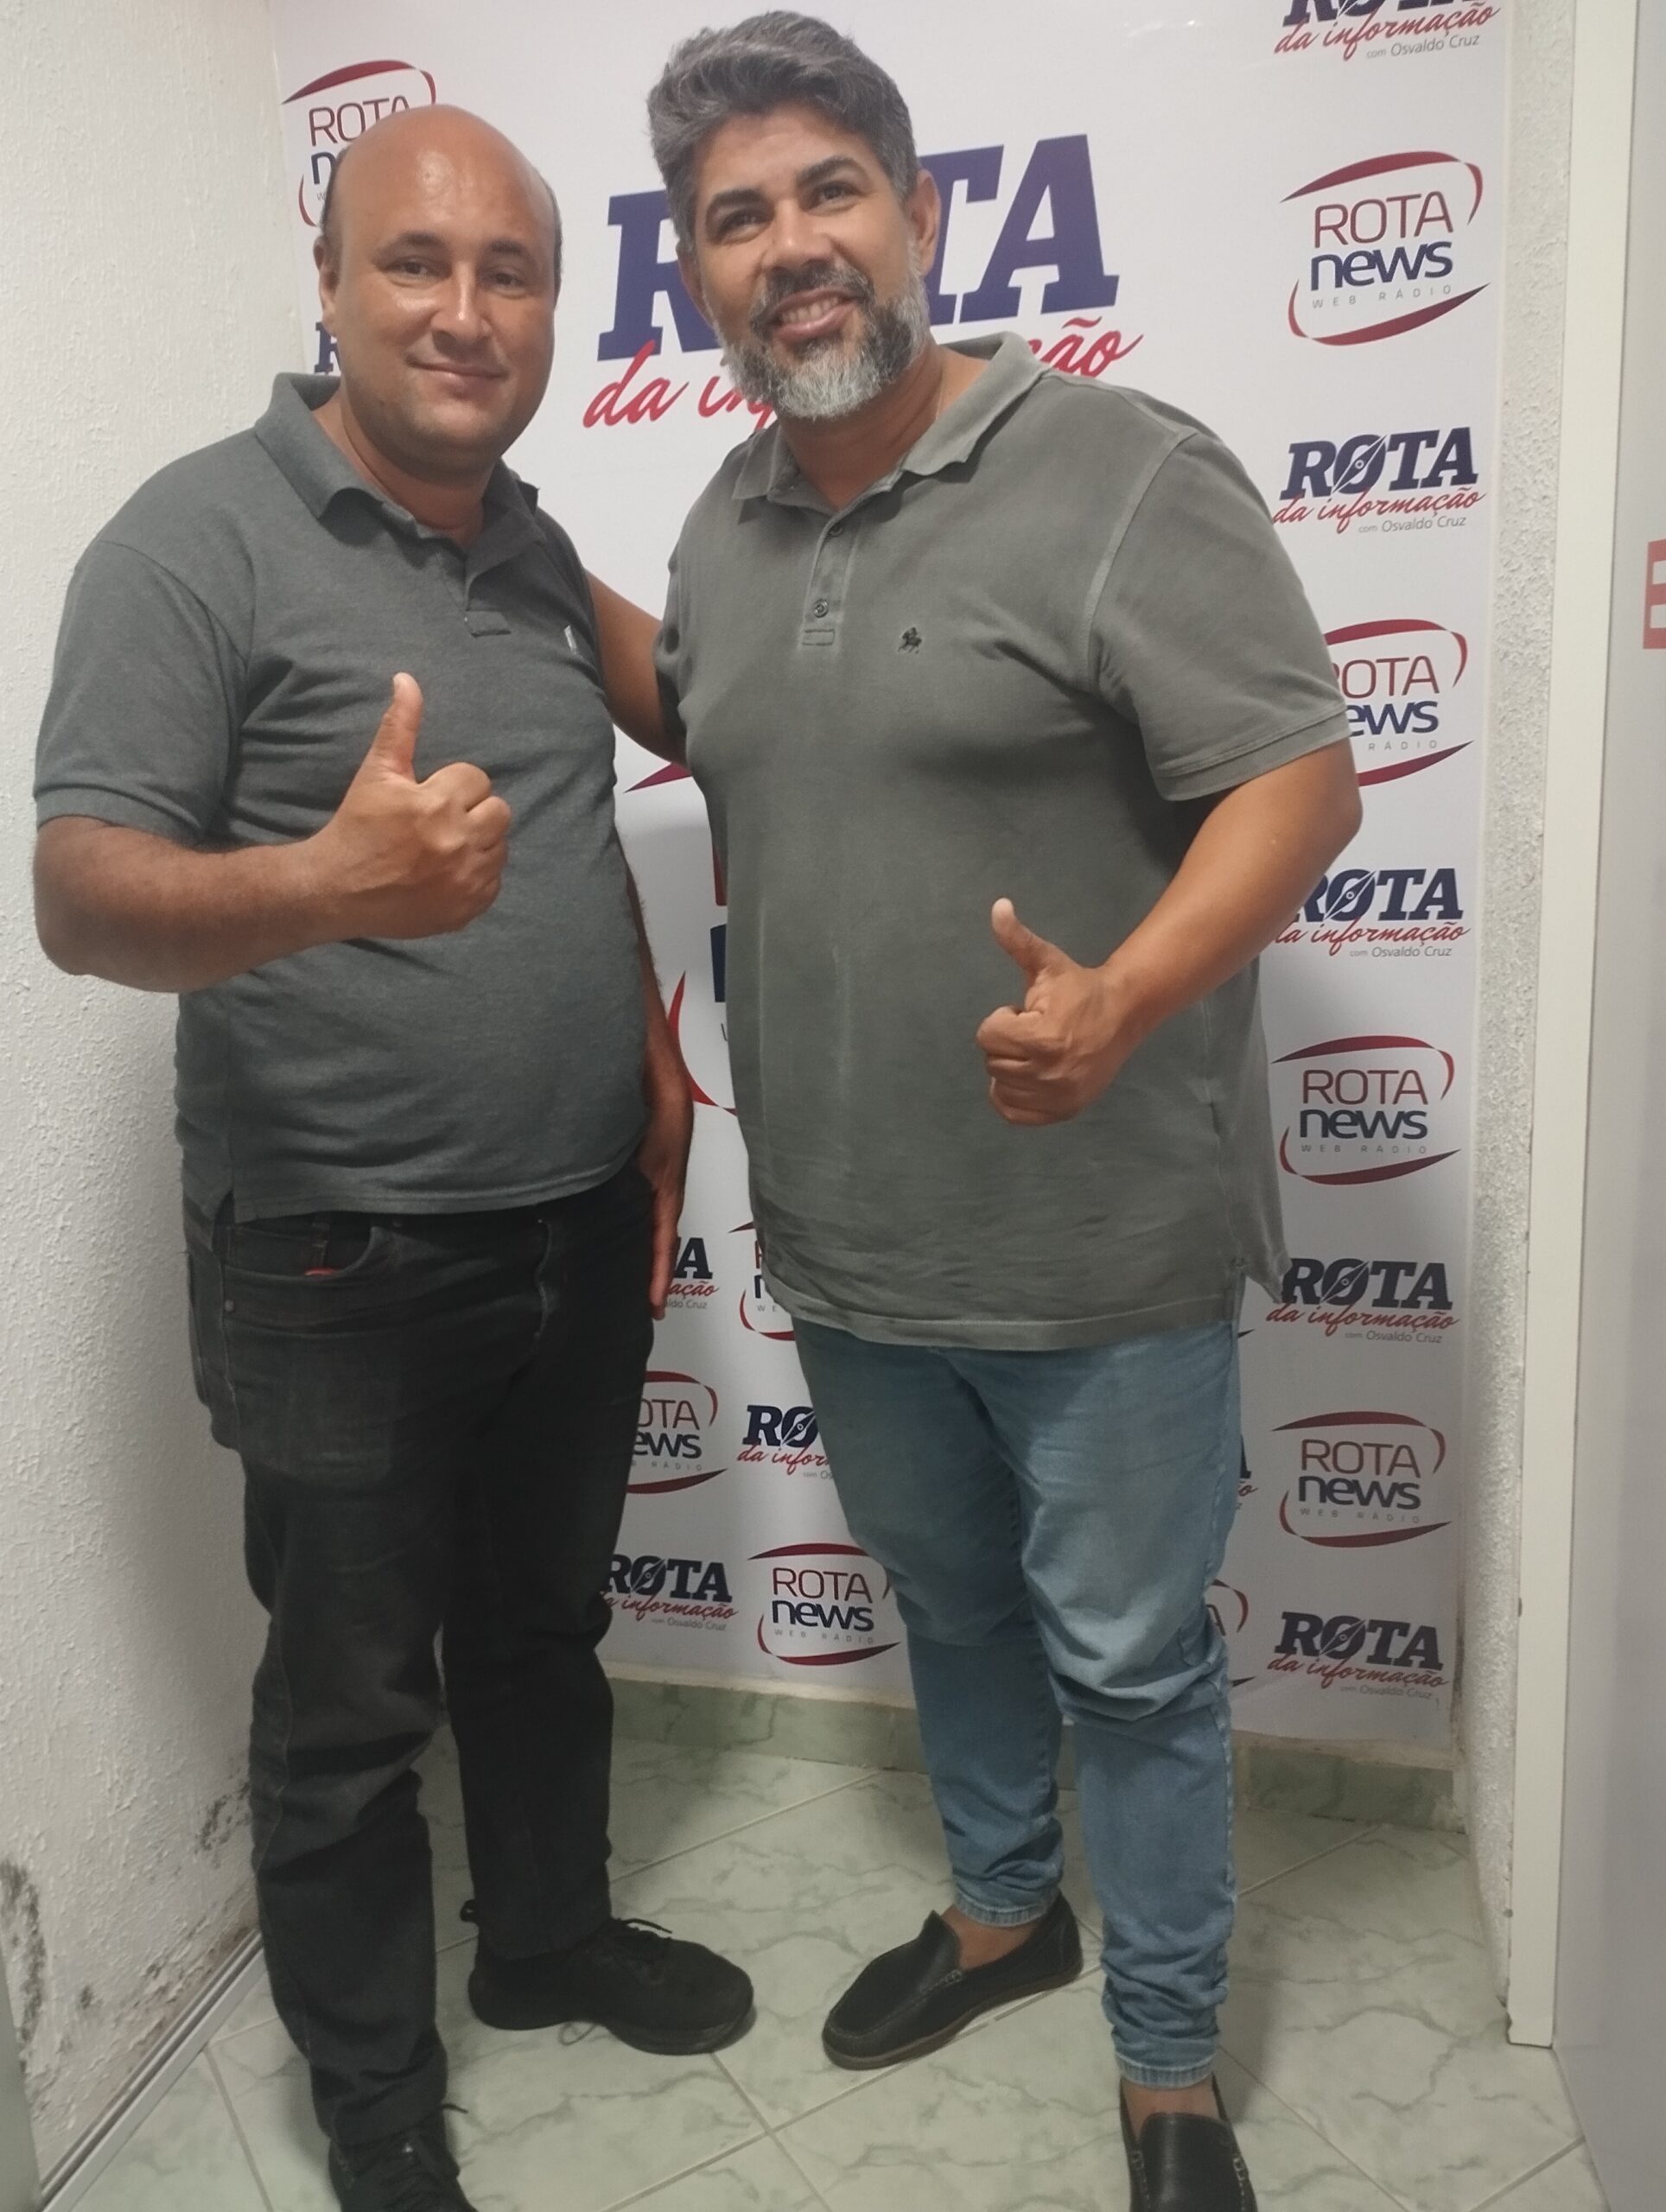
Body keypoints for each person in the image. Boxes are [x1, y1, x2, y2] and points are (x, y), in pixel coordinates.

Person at [618, 15, 1365, 2209]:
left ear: (920, 215)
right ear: (699, 273)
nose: (790, 245)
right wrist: (500, 553)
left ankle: (1168, 2065)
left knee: (1129, 1664)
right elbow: (711, 706)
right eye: (736, 218)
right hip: (855, 1241)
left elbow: (1300, 778)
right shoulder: (729, 518)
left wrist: (1127, 992)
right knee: (950, 1610)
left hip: (1099, 1243)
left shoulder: (1118, 469)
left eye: (828, 191)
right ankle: (1001, 1907)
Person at [32, 106, 751, 2212]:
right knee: (349, 1705)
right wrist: (327, 881)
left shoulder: (521, 540)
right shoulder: (192, 540)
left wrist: (641, 1046)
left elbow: (695, 728)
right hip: (337, 1247)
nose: (463, 309)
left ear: (555, 307)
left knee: (537, 1627)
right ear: (330, 284)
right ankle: (374, 2101)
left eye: (509, 271)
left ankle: (543, 1939)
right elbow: (79, 895)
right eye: (416, 262)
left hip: (572, 1213)